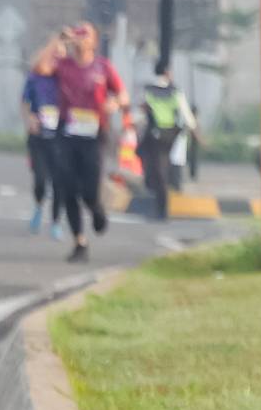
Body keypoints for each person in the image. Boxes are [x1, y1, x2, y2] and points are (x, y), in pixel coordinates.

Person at [47, 22, 124, 262]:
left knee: (89, 190)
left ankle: (96, 209)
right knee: (68, 188)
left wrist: (114, 103)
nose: (80, 39)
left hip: (94, 134)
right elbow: (40, 67)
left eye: (85, 35)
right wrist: (58, 39)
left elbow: (122, 94)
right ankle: (79, 242)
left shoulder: (103, 67)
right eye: (78, 35)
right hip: (67, 133)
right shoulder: (64, 65)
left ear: (94, 42)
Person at [21, 35, 65, 237]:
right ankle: (38, 205)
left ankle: (55, 222)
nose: (58, 59)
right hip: (38, 135)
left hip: (60, 137)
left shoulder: (65, 78)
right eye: (54, 55)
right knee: (40, 179)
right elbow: (25, 103)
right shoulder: (36, 78)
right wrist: (29, 119)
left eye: (61, 56)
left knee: (59, 182)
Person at [137, 69, 186, 221]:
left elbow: (142, 110)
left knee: (158, 171)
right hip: (169, 136)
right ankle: (160, 208)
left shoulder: (149, 91)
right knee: (160, 170)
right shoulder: (175, 92)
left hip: (156, 136)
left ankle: (161, 209)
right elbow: (186, 116)